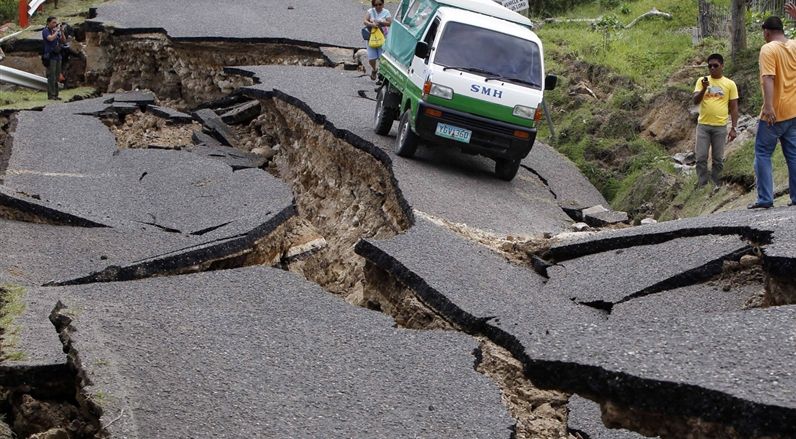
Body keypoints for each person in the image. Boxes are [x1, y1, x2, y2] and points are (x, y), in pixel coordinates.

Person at [748, 16, 796, 209]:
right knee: (793, 155)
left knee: (762, 152)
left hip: (776, 112)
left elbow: (768, 77)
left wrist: (768, 107)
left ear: (766, 32)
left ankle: (765, 198)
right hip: (794, 111)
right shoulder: (793, 45)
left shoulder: (768, 49)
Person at [692, 53, 739, 190]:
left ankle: (716, 183)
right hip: (703, 126)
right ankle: (702, 184)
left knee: (718, 159)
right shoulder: (702, 81)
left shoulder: (730, 84)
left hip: (720, 126)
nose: (712, 68)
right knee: (701, 157)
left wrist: (734, 127)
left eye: (715, 66)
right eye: (710, 66)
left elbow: (734, 107)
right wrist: (704, 88)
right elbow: (695, 101)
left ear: (722, 66)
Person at [363, 0, 391, 81]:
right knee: (372, 58)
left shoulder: (386, 12)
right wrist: (372, 24)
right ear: (373, 5)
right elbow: (365, 21)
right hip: (371, 37)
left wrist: (381, 22)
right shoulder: (370, 11)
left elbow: (389, 23)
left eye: (380, 4)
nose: (378, 6)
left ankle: (381, 77)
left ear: (383, 4)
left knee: (381, 58)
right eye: (376, 5)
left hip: (382, 38)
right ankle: (374, 69)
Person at [42, 16, 66, 100]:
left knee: (57, 76)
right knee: (51, 76)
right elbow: (50, 38)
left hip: (58, 55)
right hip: (50, 56)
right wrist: (57, 31)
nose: (55, 24)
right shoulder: (46, 31)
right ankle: (51, 95)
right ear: (48, 23)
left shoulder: (56, 31)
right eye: (53, 22)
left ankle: (56, 94)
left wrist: (62, 32)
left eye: (56, 22)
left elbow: (63, 41)